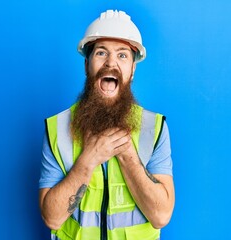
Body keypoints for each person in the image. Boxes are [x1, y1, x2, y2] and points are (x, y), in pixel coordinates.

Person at [39, 9, 175, 240]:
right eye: (101, 53)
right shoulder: (58, 128)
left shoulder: (154, 128)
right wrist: (88, 159)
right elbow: (52, 218)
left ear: (132, 70)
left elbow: (161, 215)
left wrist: (127, 155)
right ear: (86, 65)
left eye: (122, 55)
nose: (111, 63)